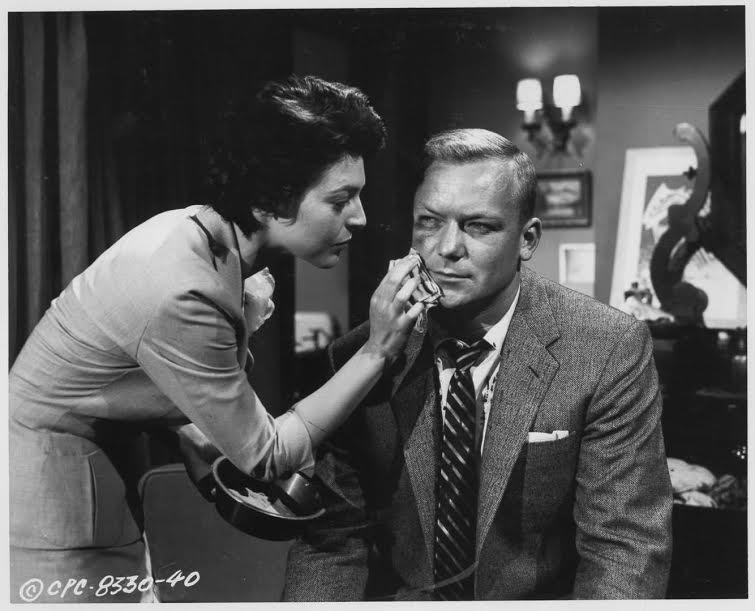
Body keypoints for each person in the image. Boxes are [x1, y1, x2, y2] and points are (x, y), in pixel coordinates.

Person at [9, 75, 426, 603]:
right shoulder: (184, 286)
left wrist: (186, 430)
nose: (360, 217)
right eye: (341, 199)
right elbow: (268, 456)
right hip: (52, 517)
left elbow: (113, 372)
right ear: (272, 199)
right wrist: (377, 349)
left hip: (83, 492)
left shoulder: (198, 237)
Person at [284, 128, 673, 600]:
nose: (447, 247)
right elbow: (332, 542)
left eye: (478, 227)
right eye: (429, 222)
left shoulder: (606, 348)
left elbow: (623, 550)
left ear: (527, 240)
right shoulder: (358, 357)